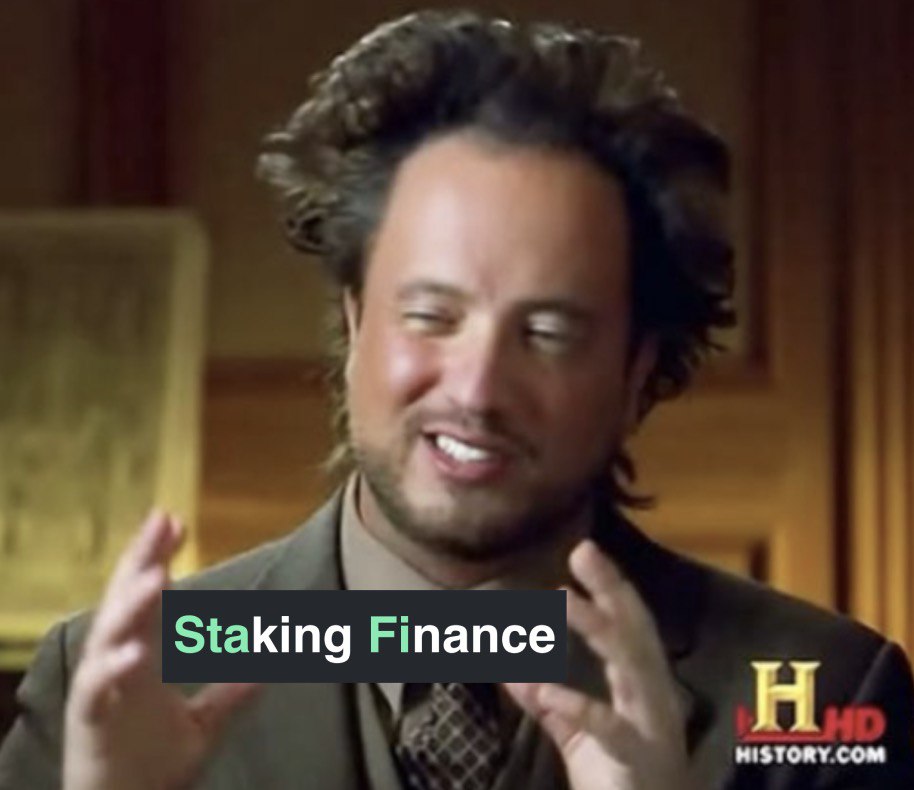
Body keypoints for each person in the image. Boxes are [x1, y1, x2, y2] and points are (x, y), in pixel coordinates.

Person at [1, 9, 912, 790]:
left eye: (547, 333)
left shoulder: (815, 693)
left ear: (640, 369)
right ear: (355, 320)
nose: (476, 390)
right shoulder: (117, 686)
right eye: (431, 316)